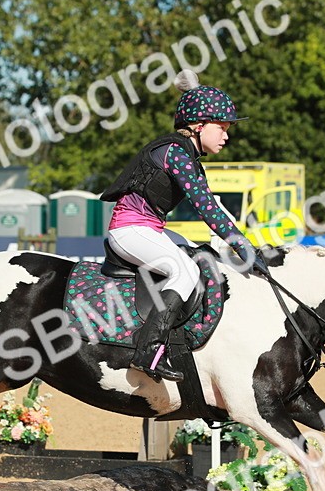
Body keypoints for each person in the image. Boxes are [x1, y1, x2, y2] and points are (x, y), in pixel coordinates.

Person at [100, 70, 265, 382]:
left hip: (148, 228)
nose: (226, 136)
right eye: (222, 127)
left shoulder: (188, 157)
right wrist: (243, 247)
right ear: (199, 125)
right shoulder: (174, 152)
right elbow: (205, 208)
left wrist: (244, 245)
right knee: (185, 271)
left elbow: (212, 205)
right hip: (129, 229)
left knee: (200, 257)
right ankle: (147, 350)